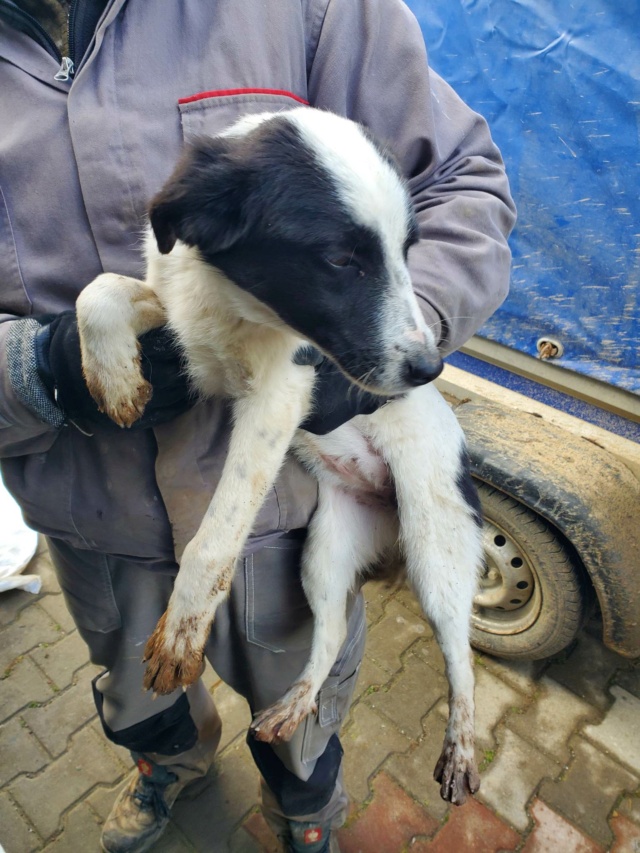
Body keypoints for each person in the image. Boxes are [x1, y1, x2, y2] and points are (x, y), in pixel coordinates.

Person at [0, 1, 516, 851]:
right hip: (95, 516)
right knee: (138, 693)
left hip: (289, 510)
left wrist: (393, 322)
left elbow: (463, 180)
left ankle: (307, 810)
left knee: (304, 712)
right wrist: (35, 370)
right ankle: (169, 765)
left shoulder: (309, 9)